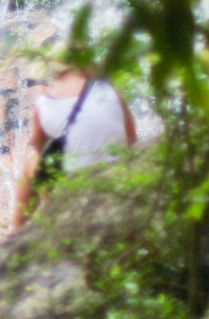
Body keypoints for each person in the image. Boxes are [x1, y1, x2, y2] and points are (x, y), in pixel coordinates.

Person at [12, 65, 137, 228]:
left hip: (77, 195)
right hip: (119, 186)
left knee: (32, 159)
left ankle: (17, 230)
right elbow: (132, 142)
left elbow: (36, 148)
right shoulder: (112, 92)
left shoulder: (46, 103)